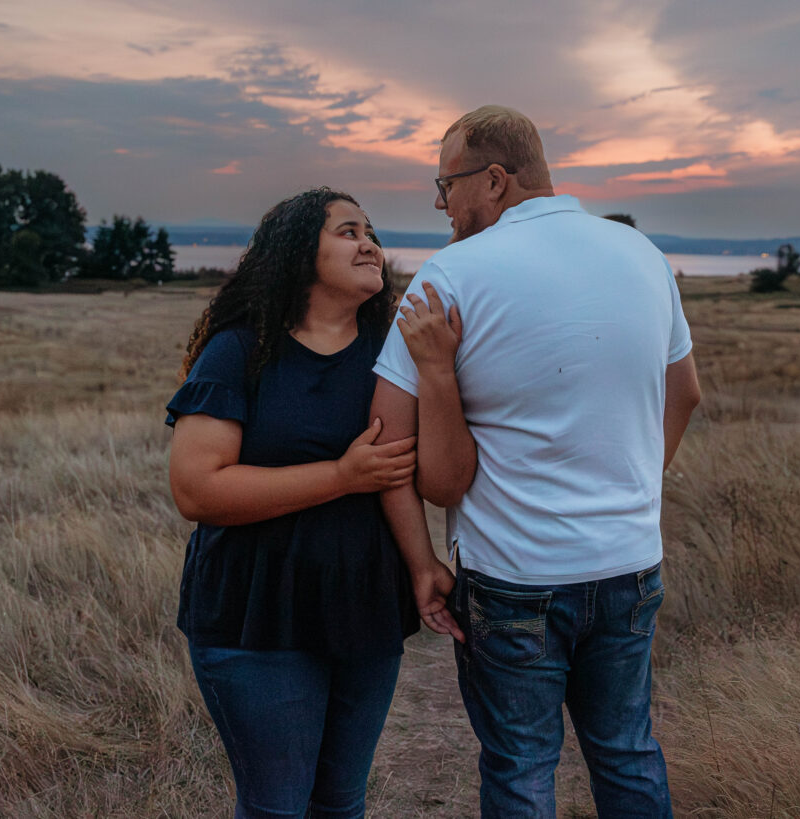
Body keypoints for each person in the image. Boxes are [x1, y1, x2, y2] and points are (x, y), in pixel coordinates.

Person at [370, 106, 701, 817]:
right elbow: (688, 392)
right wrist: (636, 490)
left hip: (514, 575)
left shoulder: (447, 277)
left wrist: (424, 560)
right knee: (626, 748)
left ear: (494, 180)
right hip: (629, 560)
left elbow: (397, 450)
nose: (439, 204)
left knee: (521, 763)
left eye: (445, 183)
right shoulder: (641, 254)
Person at [166, 188, 446, 818]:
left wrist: (424, 568)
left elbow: (403, 473)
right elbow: (197, 488)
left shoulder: (391, 354)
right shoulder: (241, 350)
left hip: (364, 608)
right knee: (277, 809)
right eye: (348, 231)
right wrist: (342, 475)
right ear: (298, 254)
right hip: (256, 613)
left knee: (342, 805)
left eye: (370, 230)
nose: (368, 242)